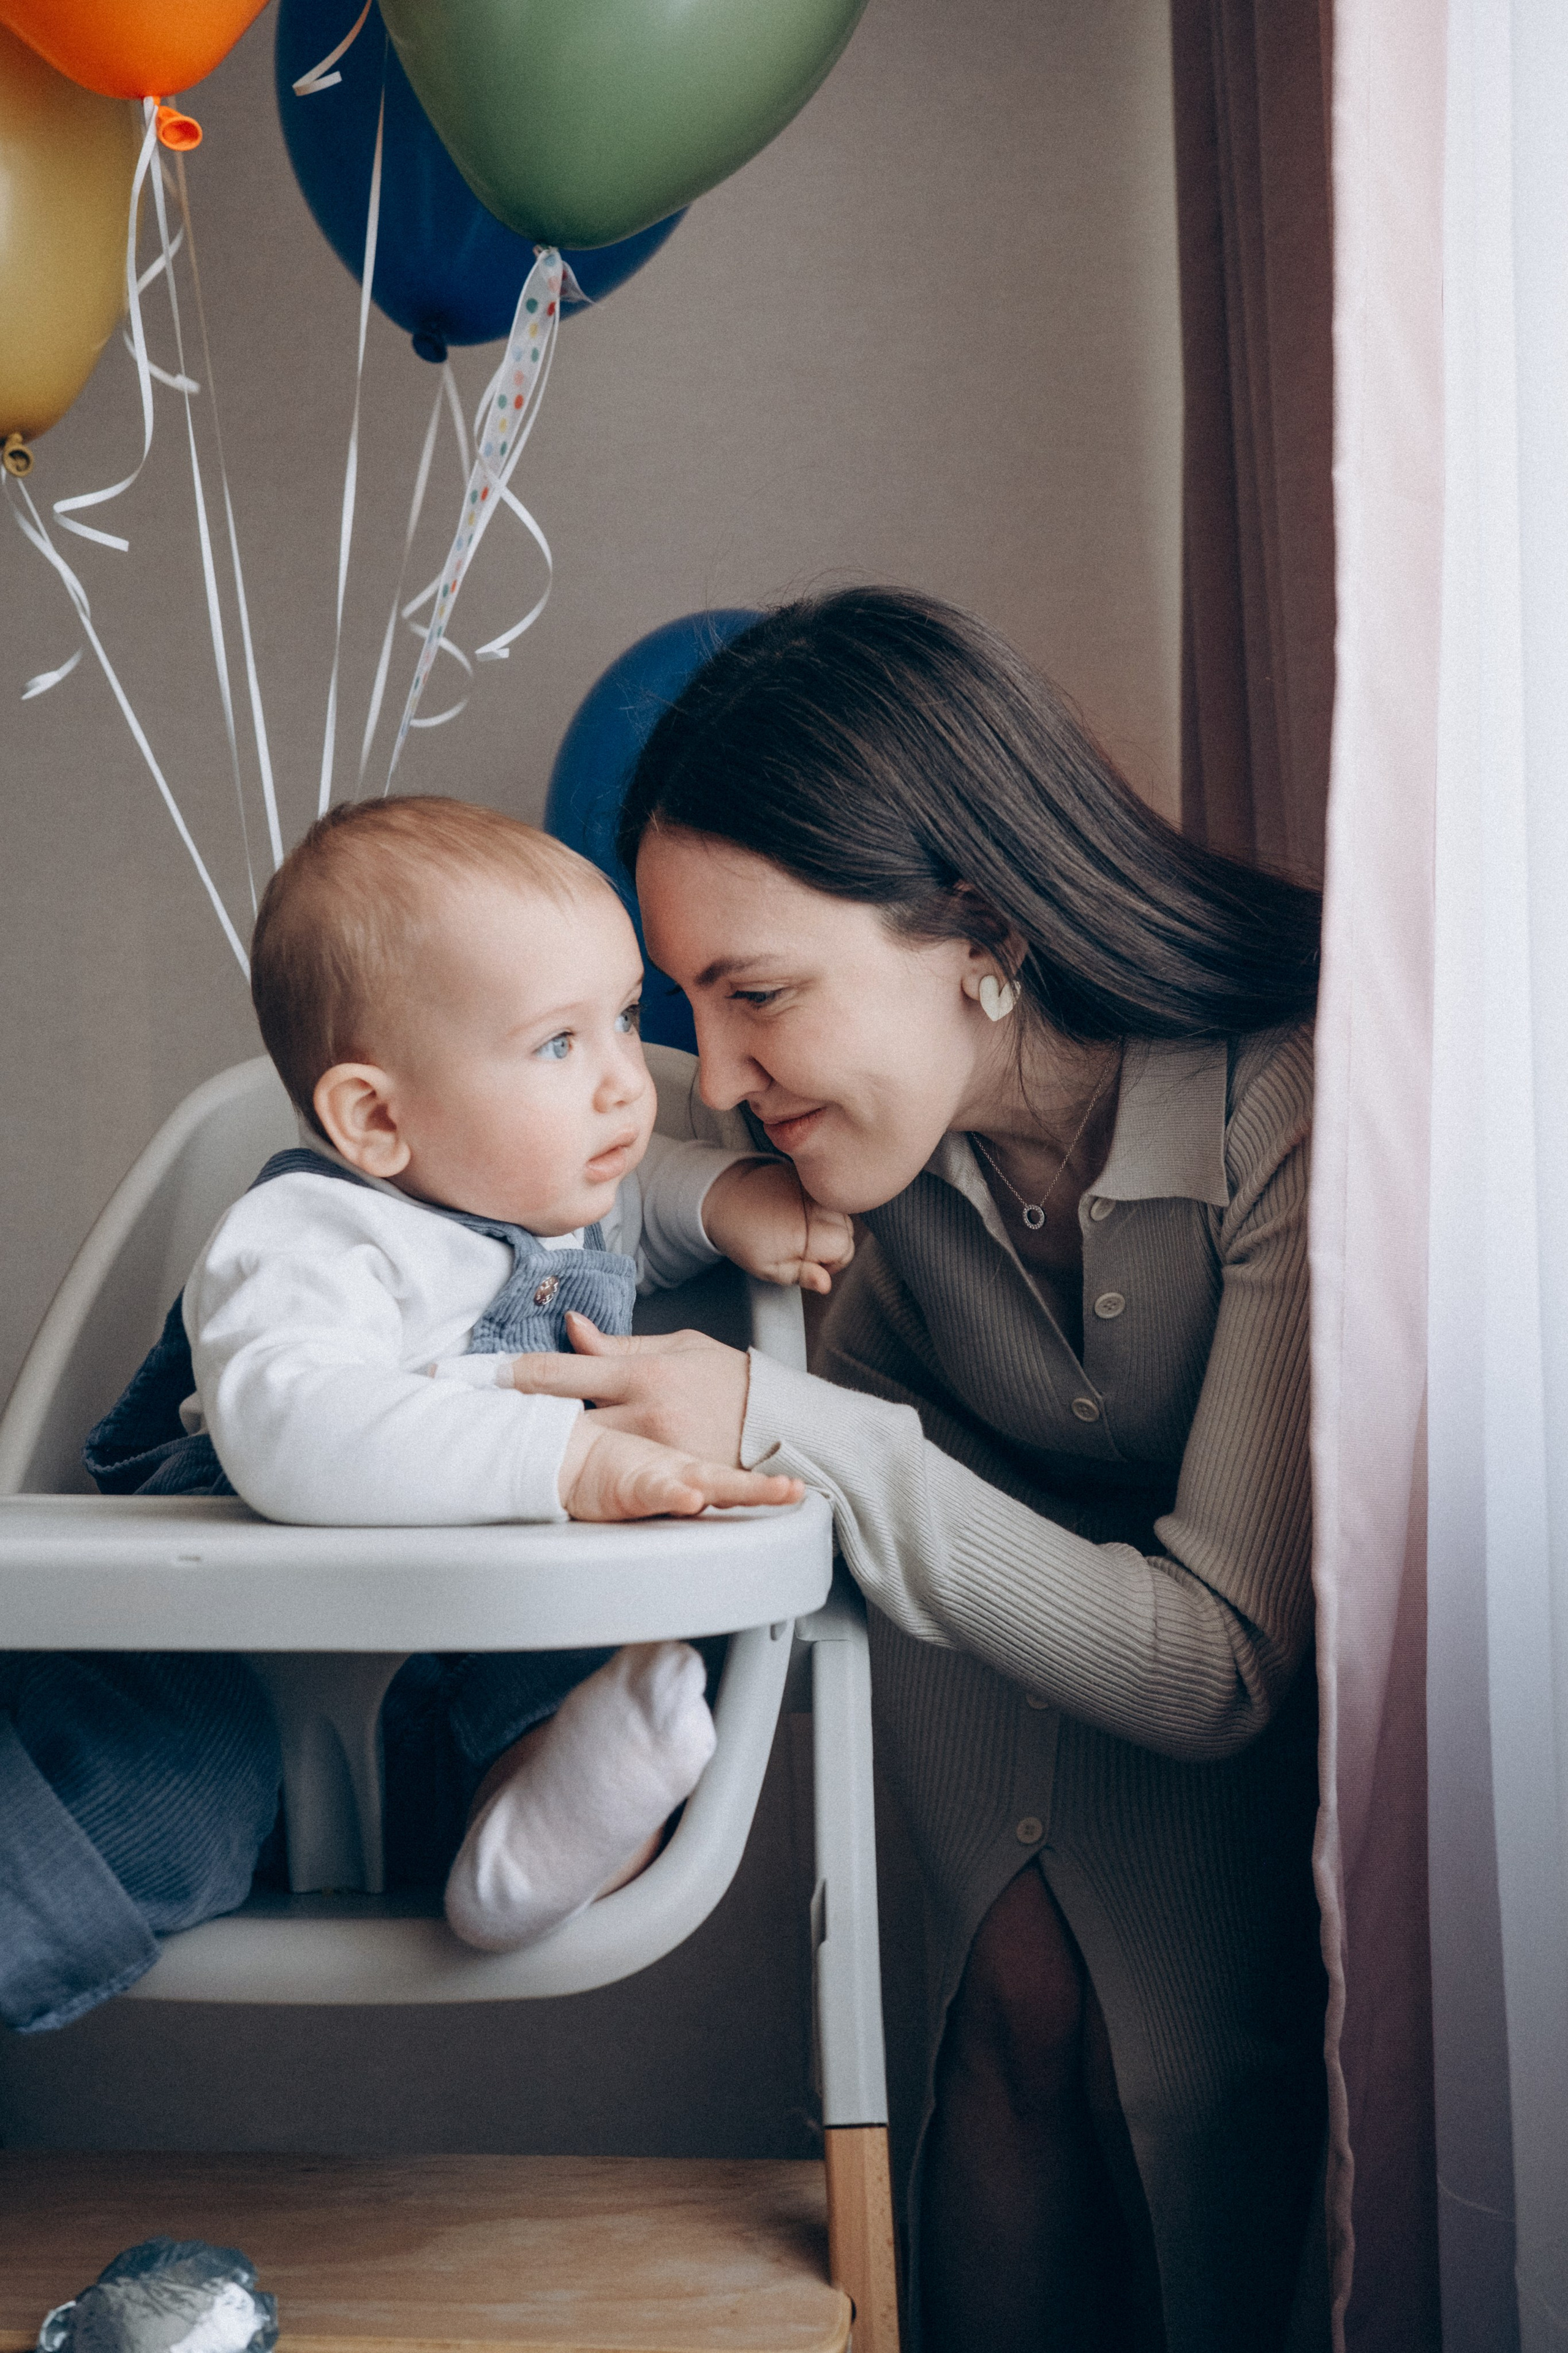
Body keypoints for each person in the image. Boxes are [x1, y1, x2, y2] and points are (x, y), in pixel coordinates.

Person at [508, 590, 1327, 2353]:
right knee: (995, 2033)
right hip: (963, 1594)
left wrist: (787, 1423)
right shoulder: (849, 1142)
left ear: (978, 924)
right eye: (689, 1006)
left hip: (1196, 1656)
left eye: (759, 996)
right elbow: (577, 1179)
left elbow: (1230, 1667)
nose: (715, 1074)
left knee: (1185, 2094)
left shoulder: (1283, 1094)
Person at [1, 799, 842, 2033]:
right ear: (376, 1121)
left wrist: (717, 1201)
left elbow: (621, 1194)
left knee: (576, 1683)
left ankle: (528, 1840)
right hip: (220, 1664)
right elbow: (297, 1428)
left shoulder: (546, 1193)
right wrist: (565, 1461)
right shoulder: (310, 1239)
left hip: (450, 1668)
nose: (626, 1080)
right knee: (154, 1814)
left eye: (621, 1017)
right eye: (561, 1045)